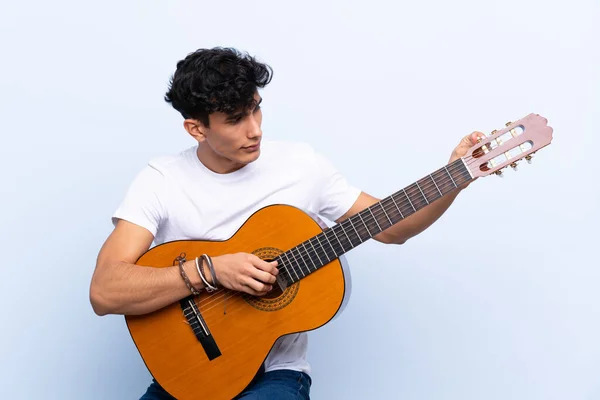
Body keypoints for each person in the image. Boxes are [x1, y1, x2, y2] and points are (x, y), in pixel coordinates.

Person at [89, 47, 482, 399]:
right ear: (197, 128)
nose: (255, 129)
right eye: (235, 119)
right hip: (186, 377)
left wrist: (457, 174)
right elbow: (105, 291)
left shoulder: (300, 165)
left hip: (276, 380)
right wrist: (210, 271)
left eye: (256, 108)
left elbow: (391, 228)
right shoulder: (162, 180)